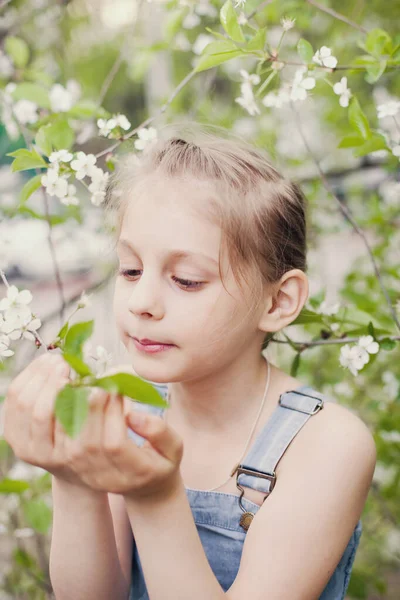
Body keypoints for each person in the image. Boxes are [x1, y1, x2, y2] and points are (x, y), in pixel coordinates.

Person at [3, 123, 377, 600]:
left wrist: (156, 497)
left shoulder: (326, 445)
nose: (143, 301)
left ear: (278, 302)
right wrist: (73, 480)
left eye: (186, 279)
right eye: (131, 269)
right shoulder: (126, 409)